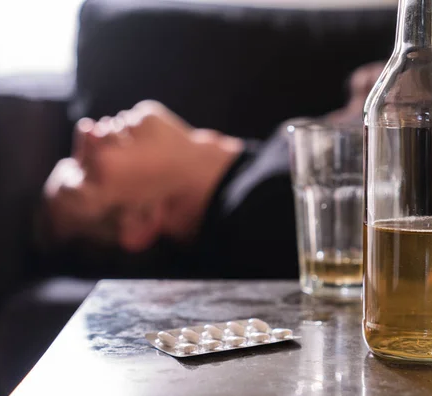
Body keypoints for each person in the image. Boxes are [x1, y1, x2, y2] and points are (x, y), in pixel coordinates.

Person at [37, 62, 385, 279]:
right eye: (86, 172)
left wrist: (363, 95)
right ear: (138, 222)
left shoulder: (251, 173)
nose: (84, 131)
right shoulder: (260, 216)